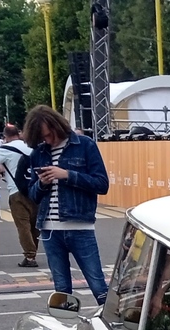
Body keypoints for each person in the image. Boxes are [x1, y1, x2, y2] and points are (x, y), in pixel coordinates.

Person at [25, 104, 111, 305]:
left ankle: (113, 326)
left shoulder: (84, 145)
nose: (48, 140)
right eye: (43, 138)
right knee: (61, 290)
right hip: (49, 229)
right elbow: (32, 194)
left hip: (79, 226)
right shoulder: (38, 153)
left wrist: (67, 175)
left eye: (49, 134)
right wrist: (42, 184)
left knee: (98, 285)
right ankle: (67, 329)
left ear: (57, 125)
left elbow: (102, 184)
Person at [0, 124, 41, 267]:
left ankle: (30, 256)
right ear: (18, 134)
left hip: (16, 191)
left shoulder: (4, 149)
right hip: (35, 189)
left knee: (23, 226)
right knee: (34, 225)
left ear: (5, 136)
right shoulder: (31, 147)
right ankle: (33, 252)